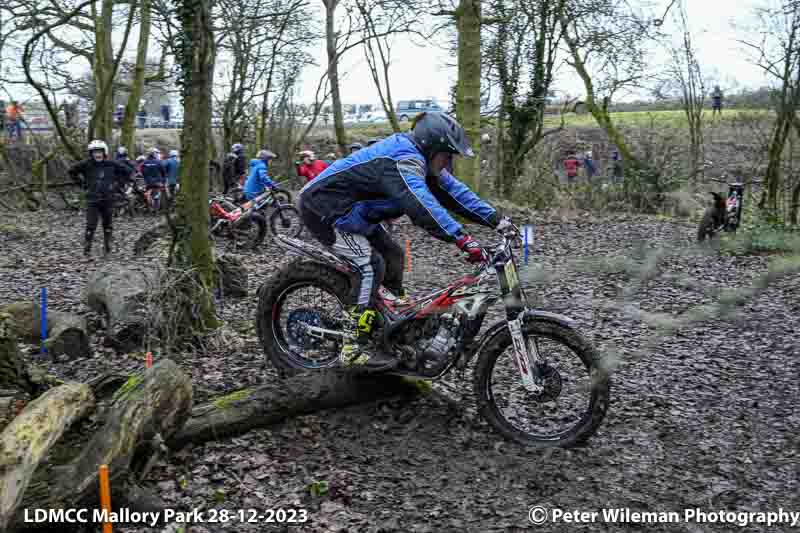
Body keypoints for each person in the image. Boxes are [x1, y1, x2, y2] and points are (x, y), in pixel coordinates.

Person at [298, 111, 507, 370]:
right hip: (324, 209)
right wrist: (461, 238)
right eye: (447, 155)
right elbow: (421, 205)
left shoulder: (420, 160)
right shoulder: (402, 160)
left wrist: (499, 221)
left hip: (355, 213)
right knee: (370, 266)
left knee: (394, 256)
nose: (448, 162)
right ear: (432, 147)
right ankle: (353, 345)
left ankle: (391, 327)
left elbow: (455, 192)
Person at [68, 140, 133, 257]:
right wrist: (82, 184)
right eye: (94, 152)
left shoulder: (112, 164)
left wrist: (118, 184)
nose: (97, 154)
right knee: (91, 224)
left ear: (104, 152)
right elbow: (71, 171)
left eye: (99, 152)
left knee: (107, 223)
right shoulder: (86, 164)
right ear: (91, 153)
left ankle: (108, 246)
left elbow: (128, 172)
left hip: (108, 198)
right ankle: (87, 248)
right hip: (92, 199)